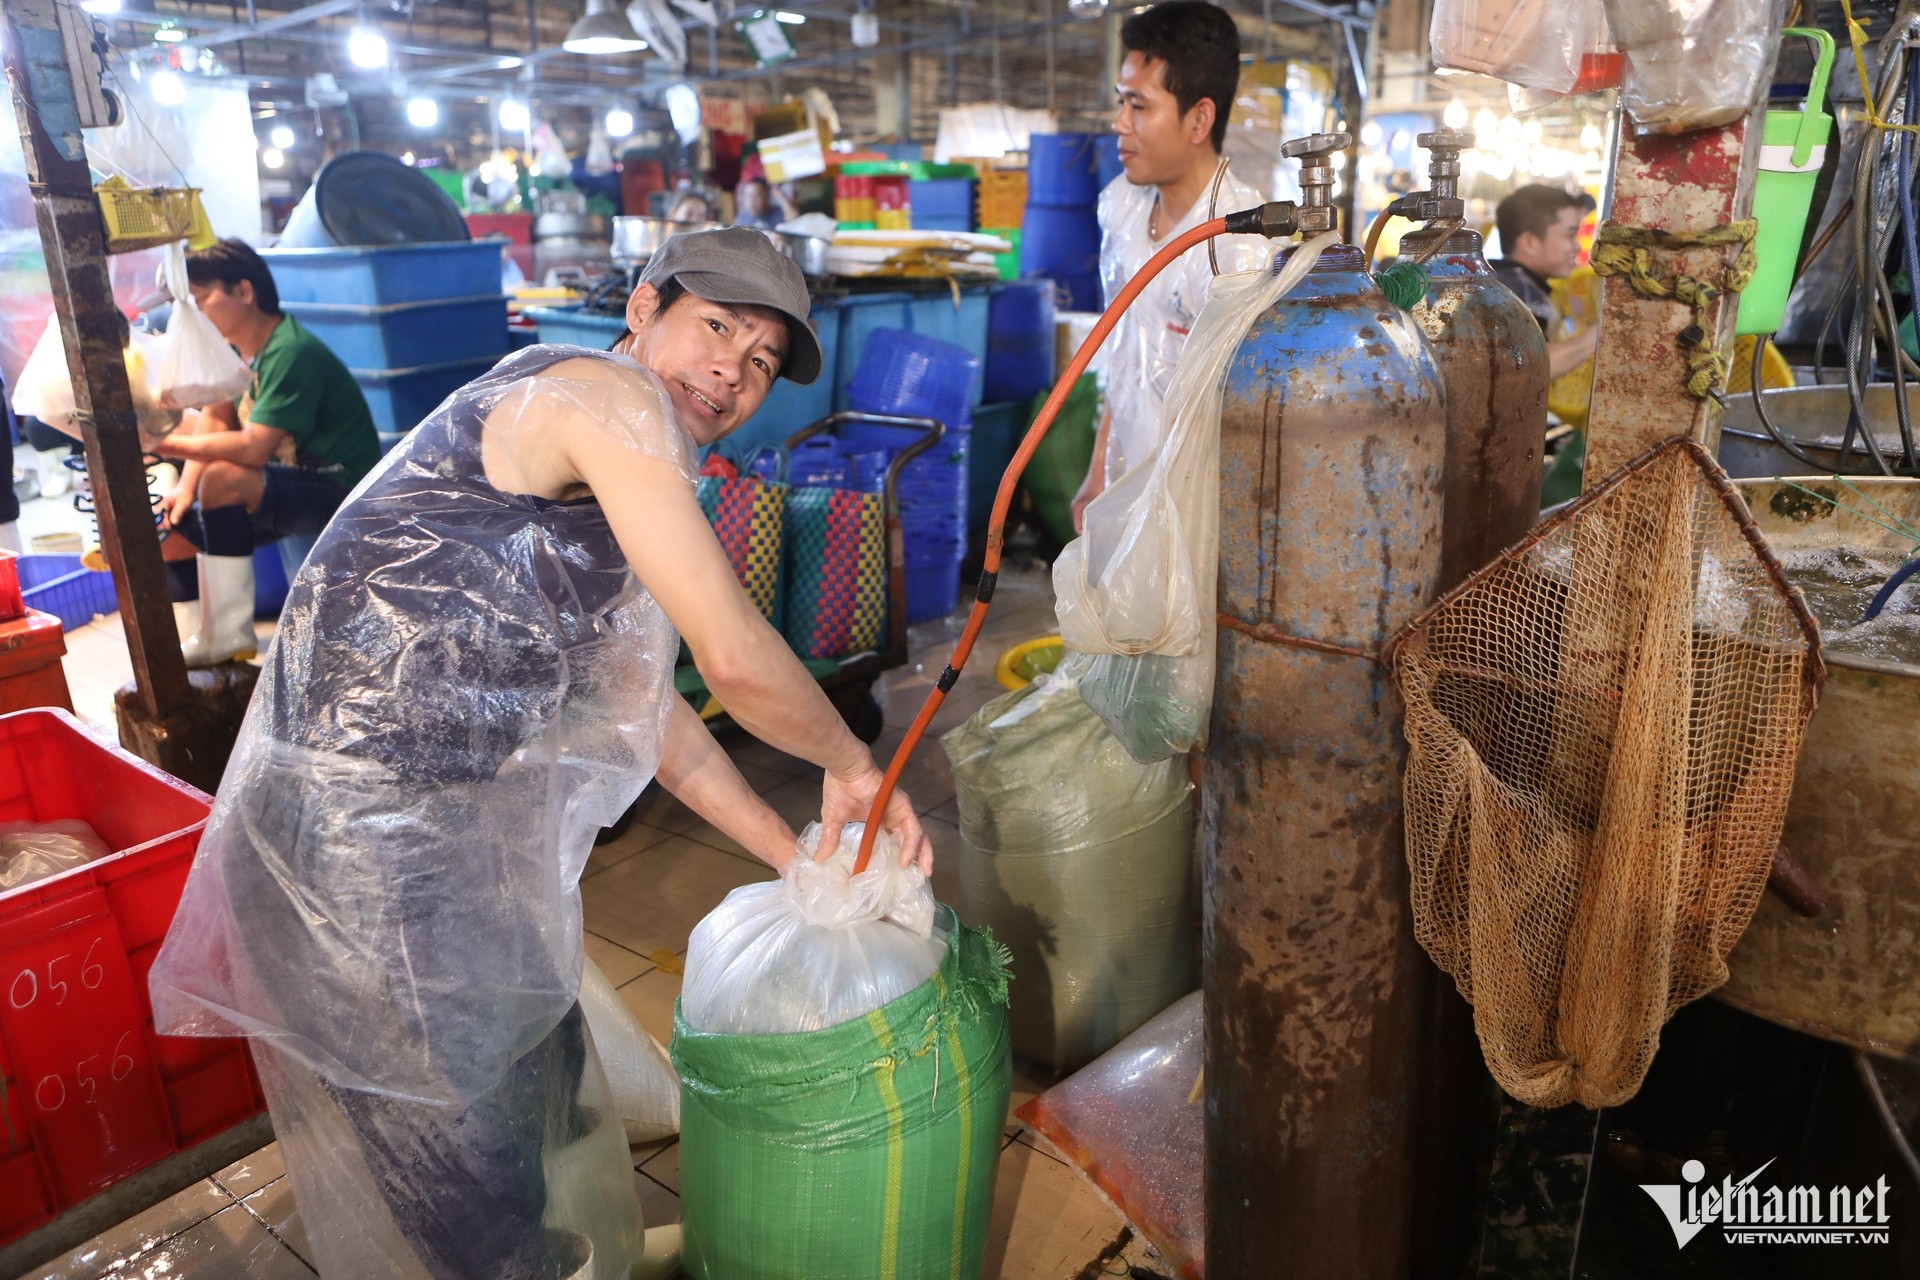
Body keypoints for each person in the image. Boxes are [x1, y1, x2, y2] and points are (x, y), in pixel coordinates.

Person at [148, 227, 932, 1280]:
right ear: (645, 306)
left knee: (536, 1092)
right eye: (717, 327)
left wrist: (793, 855)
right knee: (475, 1183)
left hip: (437, 827)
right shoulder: (605, 401)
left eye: (759, 364)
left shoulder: (628, 463)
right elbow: (735, 659)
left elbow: (644, 711)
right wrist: (855, 765)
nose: (731, 373)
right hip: (347, 847)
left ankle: (577, 1254)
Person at [1072, 0, 1267, 531]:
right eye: (1120, 102)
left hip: (1198, 515)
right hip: (1124, 491)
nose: (1118, 123)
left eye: (1138, 105)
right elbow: (1122, 356)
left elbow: (1246, 422)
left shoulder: (1237, 247)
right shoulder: (1120, 206)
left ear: (1199, 118)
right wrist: (1098, 477)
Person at [152, 238, 380, 667]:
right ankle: (204, 637)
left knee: (222, 478)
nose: (195, 312)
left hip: (343, 490)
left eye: (201, 299)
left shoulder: (289, 350)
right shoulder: (234, 349)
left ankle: (229, 632)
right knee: (174, 524)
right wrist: (184, 489)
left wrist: (160, 444)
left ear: (243, 291)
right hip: (289, 480)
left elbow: (253, 450)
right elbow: (217, 417)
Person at [1489, 184, 1602, 381]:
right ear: (1530, 242)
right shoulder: (1517, 292)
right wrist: (1602, 332)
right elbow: (1526, 366)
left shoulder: (1501, 281)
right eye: (1570, 234)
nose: (1577, 246)